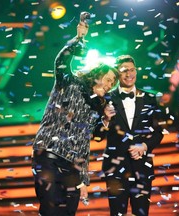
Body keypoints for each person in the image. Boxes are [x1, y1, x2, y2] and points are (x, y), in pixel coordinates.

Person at [31, 21, 119, 216]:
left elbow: (92, 140)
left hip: (74, 166)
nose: (110, 84)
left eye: (113, 82)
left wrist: (83, 180)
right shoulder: (69, 82)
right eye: (108, 78)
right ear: (97, 74)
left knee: (68, 212)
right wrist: (78, 40)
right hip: (49, 155)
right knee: (51, 209)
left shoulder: (100, 106)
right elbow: (60, 62)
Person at [93, 55, 164, 216]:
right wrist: (105, 119)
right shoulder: (106, 99)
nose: (129, 74)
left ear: (136, 72)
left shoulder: (149, 99)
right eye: (124, 71)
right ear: (118, 74)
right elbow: (97, 136)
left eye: (132, 70)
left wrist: (144, 146)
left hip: (142, 168)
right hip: (115, 169)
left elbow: (158, 133)